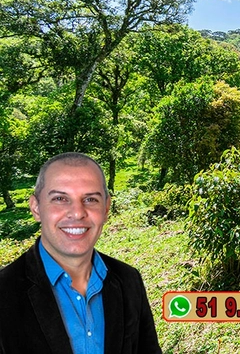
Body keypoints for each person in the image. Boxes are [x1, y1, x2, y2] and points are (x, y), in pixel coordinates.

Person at [0, 152, 162, 354]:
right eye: (60, 198)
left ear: (106, 208)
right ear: (36, 207)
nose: (77, 213)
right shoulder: (4, 291)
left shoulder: (129, 280)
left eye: (91, 199)